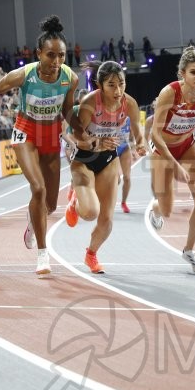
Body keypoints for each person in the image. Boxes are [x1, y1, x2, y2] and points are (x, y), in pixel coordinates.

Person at [0, 15, 78, 275]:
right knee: (38, 188)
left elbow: (67, 112)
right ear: (38, 54)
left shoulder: (70, 78)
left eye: (61, 56)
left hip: (51, 136)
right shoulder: (24, 75)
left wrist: (77, 132)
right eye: (50, 55)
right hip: (26, 132)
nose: (56, 62)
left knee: (50, 205)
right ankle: (43, 255)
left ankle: (33, 220)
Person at [65, 61, 146, 273]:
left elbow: (138, 130)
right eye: (111, 85)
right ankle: (75, 202)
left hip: (109, 159)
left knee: (107, 219)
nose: (118, 90)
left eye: (121, 83)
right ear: (100, 86)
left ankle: (91, 254)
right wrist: (97, 142)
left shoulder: (130, 103)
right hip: (84, 159)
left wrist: (141, 144)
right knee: (90, 212)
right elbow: (76, 136)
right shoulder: (90, 102)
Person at [148, 46, 195, 274]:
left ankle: (189, 250)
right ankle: (156, 208)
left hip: (187, 146)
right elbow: (155, 135)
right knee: (167, 210)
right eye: (194, 72)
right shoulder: (170, 93)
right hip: (162, 149)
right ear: (183, 74)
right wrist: (173, 163)